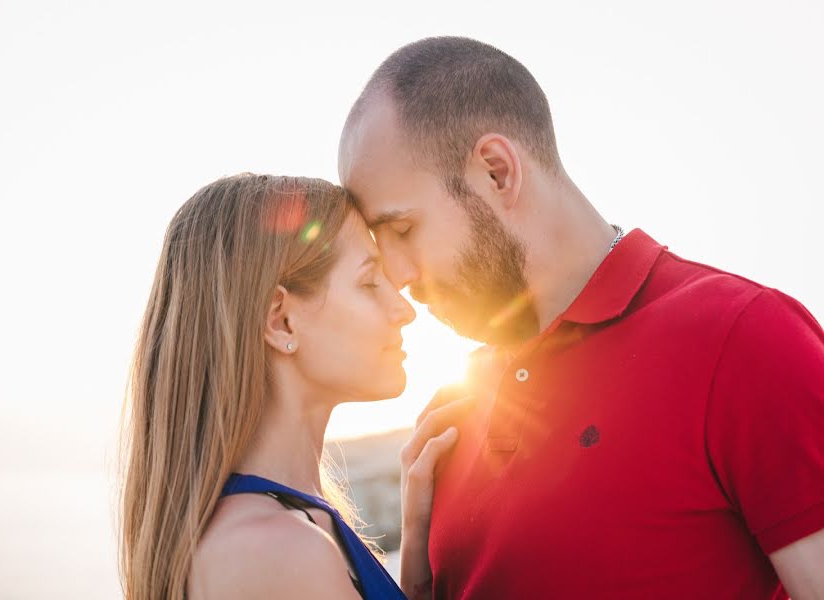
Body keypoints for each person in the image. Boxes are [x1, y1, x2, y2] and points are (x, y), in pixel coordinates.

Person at [338, 36, 824, 599]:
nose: (395, 273)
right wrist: (417, 579)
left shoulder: (745, 336)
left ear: (497, 172)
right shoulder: (448, 415)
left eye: (402, 230)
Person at [119, 174, 456, 599]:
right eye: (370, 282)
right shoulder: (280, 550)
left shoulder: (286, 528)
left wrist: (415, 549)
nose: (403, 309)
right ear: (281, 321)